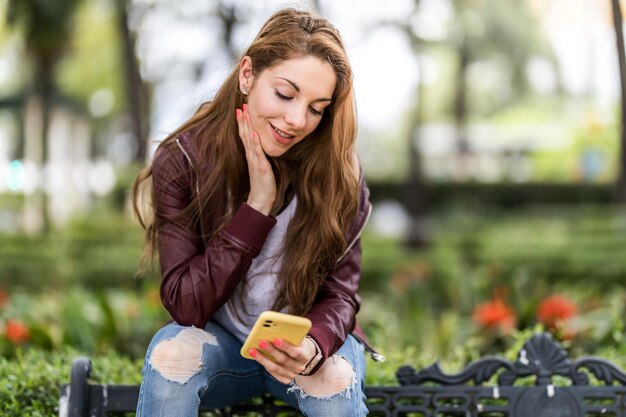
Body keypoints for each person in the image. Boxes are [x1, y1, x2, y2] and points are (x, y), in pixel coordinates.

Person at [131, 7, 381, 417]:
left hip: (303, 348)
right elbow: (185, 304)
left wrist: (315, 341)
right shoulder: (183, 161)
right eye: (285, 94)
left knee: (335, 380)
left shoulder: (339, 172)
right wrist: (256, 209)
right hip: (222, 346)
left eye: (317, 108)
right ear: (247, 74)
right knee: (170, 358)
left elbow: (341, 294)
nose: (298, 120)